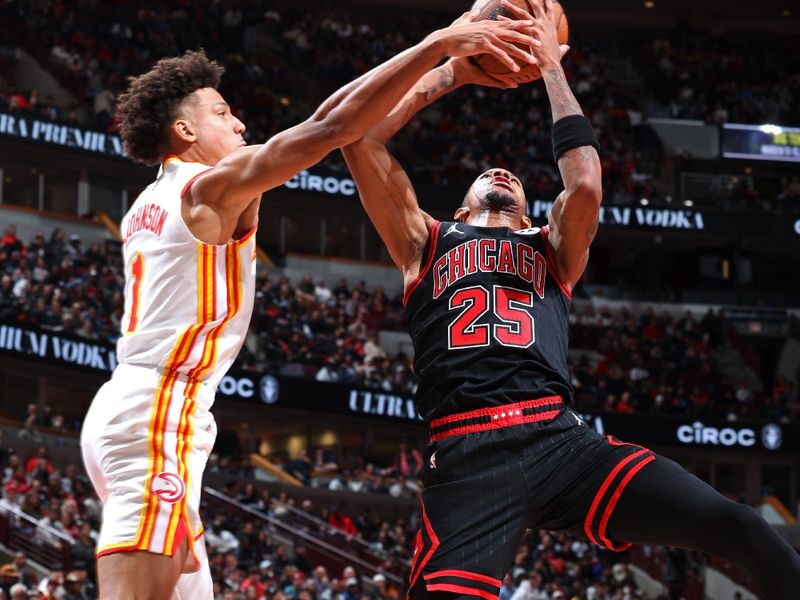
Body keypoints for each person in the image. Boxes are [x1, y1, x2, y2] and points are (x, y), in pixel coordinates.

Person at [342, 1, 800, 598]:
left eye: (514, 179)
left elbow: (583, 183)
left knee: (738, 524)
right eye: (489, 174)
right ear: (459, 209)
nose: (502, 173)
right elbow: (362, 139)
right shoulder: (424, 239)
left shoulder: (553, 246)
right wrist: (454, 68)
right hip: (467, 453)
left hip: (561, 439)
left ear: (535, 213)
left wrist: (548, 64)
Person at [79, 15, 539, 600]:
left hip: (139, 410)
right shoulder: (208, 188)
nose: (239, 121)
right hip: (157, 413)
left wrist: (445, 71)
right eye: (221, 113)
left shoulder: (149, 200)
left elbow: (340, 126)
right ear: (183, 130)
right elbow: (334, 126)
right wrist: (436, 47)